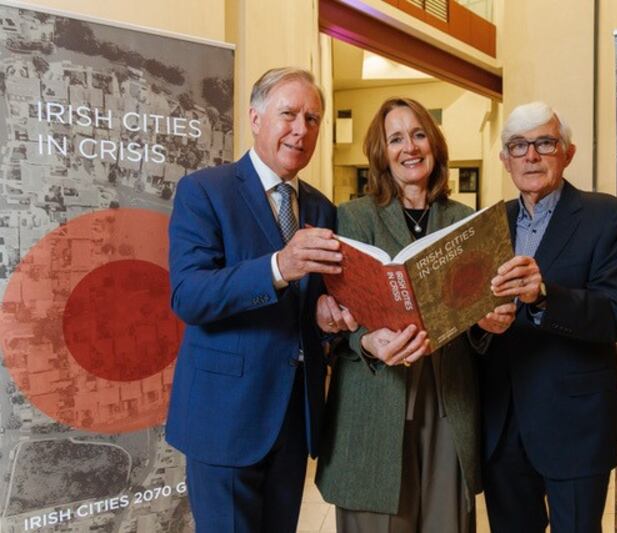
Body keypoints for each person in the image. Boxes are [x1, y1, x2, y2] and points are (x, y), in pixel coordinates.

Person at [314, 97, 515, 533]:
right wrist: (363, 339)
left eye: (419, 134)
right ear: (382, 153)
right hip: (373, 398)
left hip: (448, 397)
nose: (410, 147)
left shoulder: (466, 221)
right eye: (396, 138)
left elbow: (484, 315)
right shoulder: (351, 218)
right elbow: (332, 315)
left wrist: (488, 321)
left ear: (435, 144)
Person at [165, 67, 343, 533]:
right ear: (255, 118)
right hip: (225, 418)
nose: (301, 129)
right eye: (288, 114)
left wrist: (328, 315)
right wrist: (278, 268)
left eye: (313, 118)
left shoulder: (323, 208)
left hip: (292, 418)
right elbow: (189, 296)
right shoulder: (205, 190)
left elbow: (313, 303)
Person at [480, 101, 617, 532]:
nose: (530, 155)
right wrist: (481, 325)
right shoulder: (490, 224)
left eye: (544, 143)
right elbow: (475, 312)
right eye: (518, 146)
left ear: (567, 153)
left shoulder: (608, 217)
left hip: (574, 425)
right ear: (504, 160)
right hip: (502, 423)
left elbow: (615, 313)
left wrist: (545, 294)